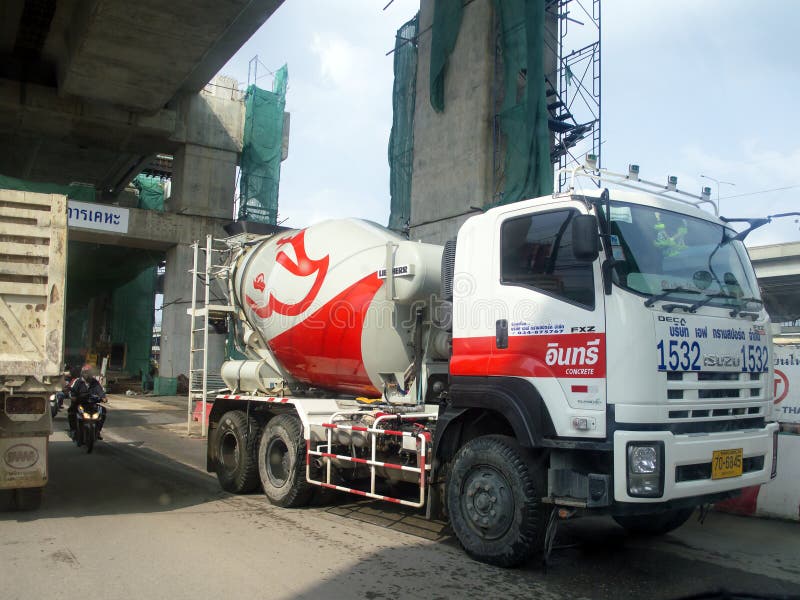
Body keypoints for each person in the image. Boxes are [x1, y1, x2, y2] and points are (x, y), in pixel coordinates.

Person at [67, 364, 108, 440]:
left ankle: (98, 430)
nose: (87, 374)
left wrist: (103, 397)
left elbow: (100, 390)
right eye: (85, 372)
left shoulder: (95, 382)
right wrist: (73, 397)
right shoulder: (78, 381)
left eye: (88, 372)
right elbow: (72, 390)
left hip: (91, 404)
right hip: (79, 403)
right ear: (82, 373)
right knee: (71, 410)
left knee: (103, 411)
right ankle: (73, 430)